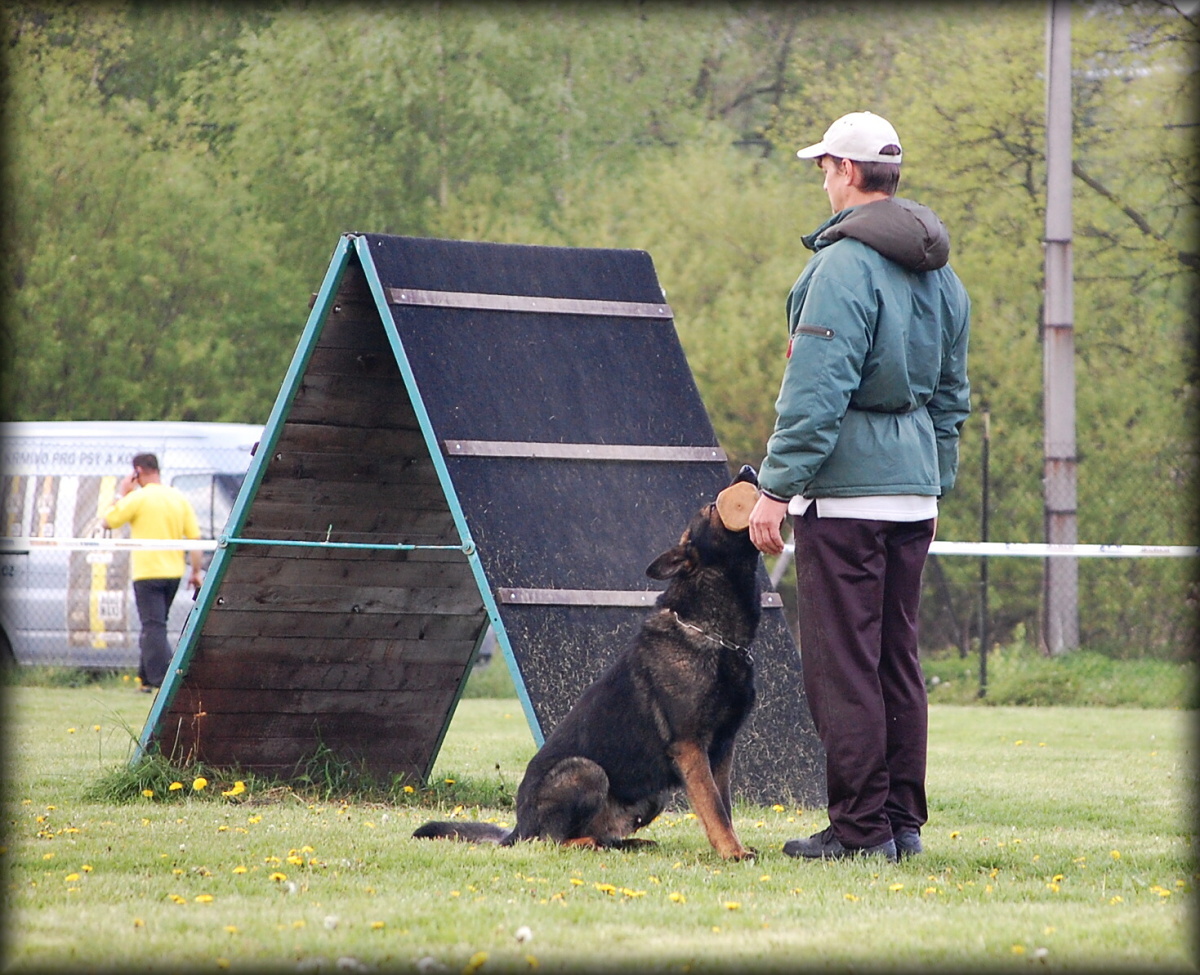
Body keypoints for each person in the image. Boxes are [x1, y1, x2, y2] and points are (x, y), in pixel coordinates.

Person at [747, 111, 971, 862]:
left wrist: (776, 489)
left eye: (823, 167)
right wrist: (934, 485)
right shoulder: (941, 273)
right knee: (895, 663)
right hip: (911, 498)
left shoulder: (842, 267)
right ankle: (901, 826)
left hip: (846, 500)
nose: (822, 179)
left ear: (845, 171)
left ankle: (860, 831)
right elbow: (950, 395)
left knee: (844, 670)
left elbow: (814, 393)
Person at [103, 453, 203, 691]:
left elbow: (108, 521)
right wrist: (196, 571)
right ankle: (145, 678)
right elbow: (195, 539)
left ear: (137, 471)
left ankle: (163, 679)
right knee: (155, 624)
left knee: (153, 626)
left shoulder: (138, 498)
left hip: (148, 573)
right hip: (173, 573)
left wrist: (121, 493)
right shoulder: (178, 498)